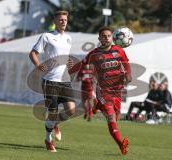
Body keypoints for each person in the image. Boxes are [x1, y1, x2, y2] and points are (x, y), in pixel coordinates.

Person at [69, 26, 132, 155]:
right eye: (104, 36)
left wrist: (128, 76)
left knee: (115, 117)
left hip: (118, 92)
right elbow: (82, 64)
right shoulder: (94, 54)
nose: (106, 38)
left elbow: (126, 64)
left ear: (112, 38)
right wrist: (69, 70)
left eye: (108, 36)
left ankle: (93, 107)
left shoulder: (119, 51)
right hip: (104, 91)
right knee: (111, 118)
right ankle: (121, 144)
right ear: (99, 38)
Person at [29, 10, 75, 153]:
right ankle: (48, 139)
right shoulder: (47, 36)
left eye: (65, 20)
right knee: (53, 113)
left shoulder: (68, 38)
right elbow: (33, 53)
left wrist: (69, 62)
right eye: (60, 20)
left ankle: (54, 124)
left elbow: (63, 56)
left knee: (71, 110)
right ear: (54, 22)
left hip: (65, 80)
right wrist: (37, 65)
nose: (63, 22)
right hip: (50, 81)